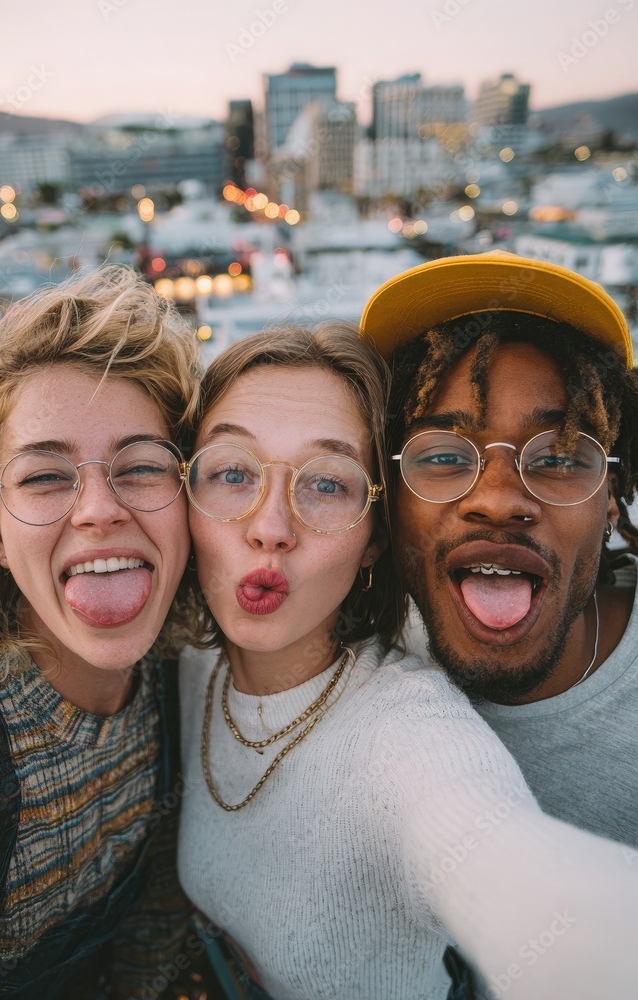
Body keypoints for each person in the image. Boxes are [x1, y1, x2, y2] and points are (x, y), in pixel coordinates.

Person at [176, 323, 638, 1000]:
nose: (269, 527)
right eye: (232, 473)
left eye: (326, 483)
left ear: (374, 535)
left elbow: (514, 871)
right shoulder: (182, 659)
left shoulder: (409, 730)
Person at [0, 266, 203, 999]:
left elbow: (153, 932)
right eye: (44, 477)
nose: (98, 509)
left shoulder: (176, 684)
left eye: (141, 467)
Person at [361, 250, 638, 853]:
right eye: (443, 455)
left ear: (611, 501)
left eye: (558, 457)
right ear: (390, 499)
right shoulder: (350, 649)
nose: (498, 500)